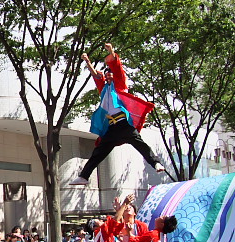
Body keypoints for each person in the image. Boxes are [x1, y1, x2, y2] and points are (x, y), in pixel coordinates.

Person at [70, 43, 164, 186]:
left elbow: (117, 68)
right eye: (106, 75)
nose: (108, 76)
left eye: (110, 74)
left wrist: (111, 51)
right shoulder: (104, 89)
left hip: (124, 124)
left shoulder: (119, 85)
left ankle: (156, 163)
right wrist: (87, 61)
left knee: (141, 145)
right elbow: (96, 75)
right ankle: (84, 176)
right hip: (112, 127)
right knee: (98, 152)